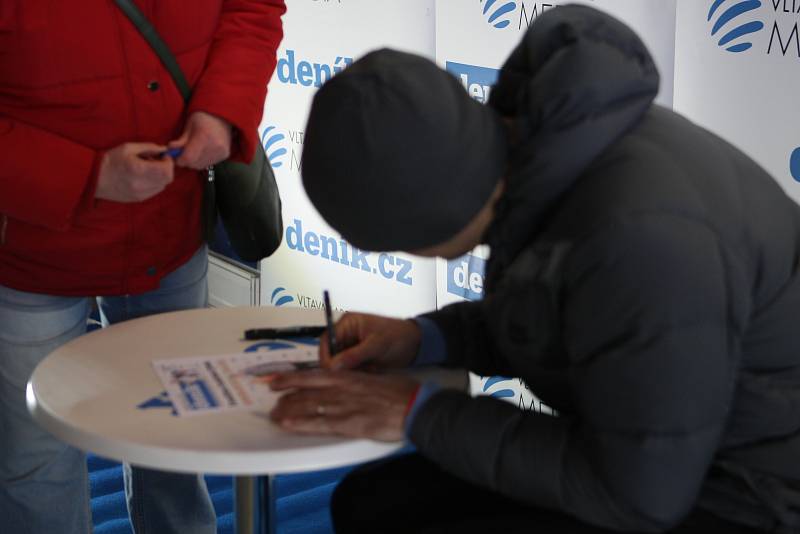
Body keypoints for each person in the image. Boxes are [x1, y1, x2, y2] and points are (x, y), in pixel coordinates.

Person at [267, 5, 800, 534]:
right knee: (373, 502)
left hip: (750, 494)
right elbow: (567, 317)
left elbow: (639, 496)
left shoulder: (641, 239)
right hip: (677, 453)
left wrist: (417, 413)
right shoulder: (541, 152)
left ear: (419, 223)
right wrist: (421, 337)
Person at [0, 1, 284, 532]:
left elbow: (251, 9)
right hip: (30, 256)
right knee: (36, 465)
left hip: (168, 234)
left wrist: (223, 108)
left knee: (176, 442)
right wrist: (84, 177)